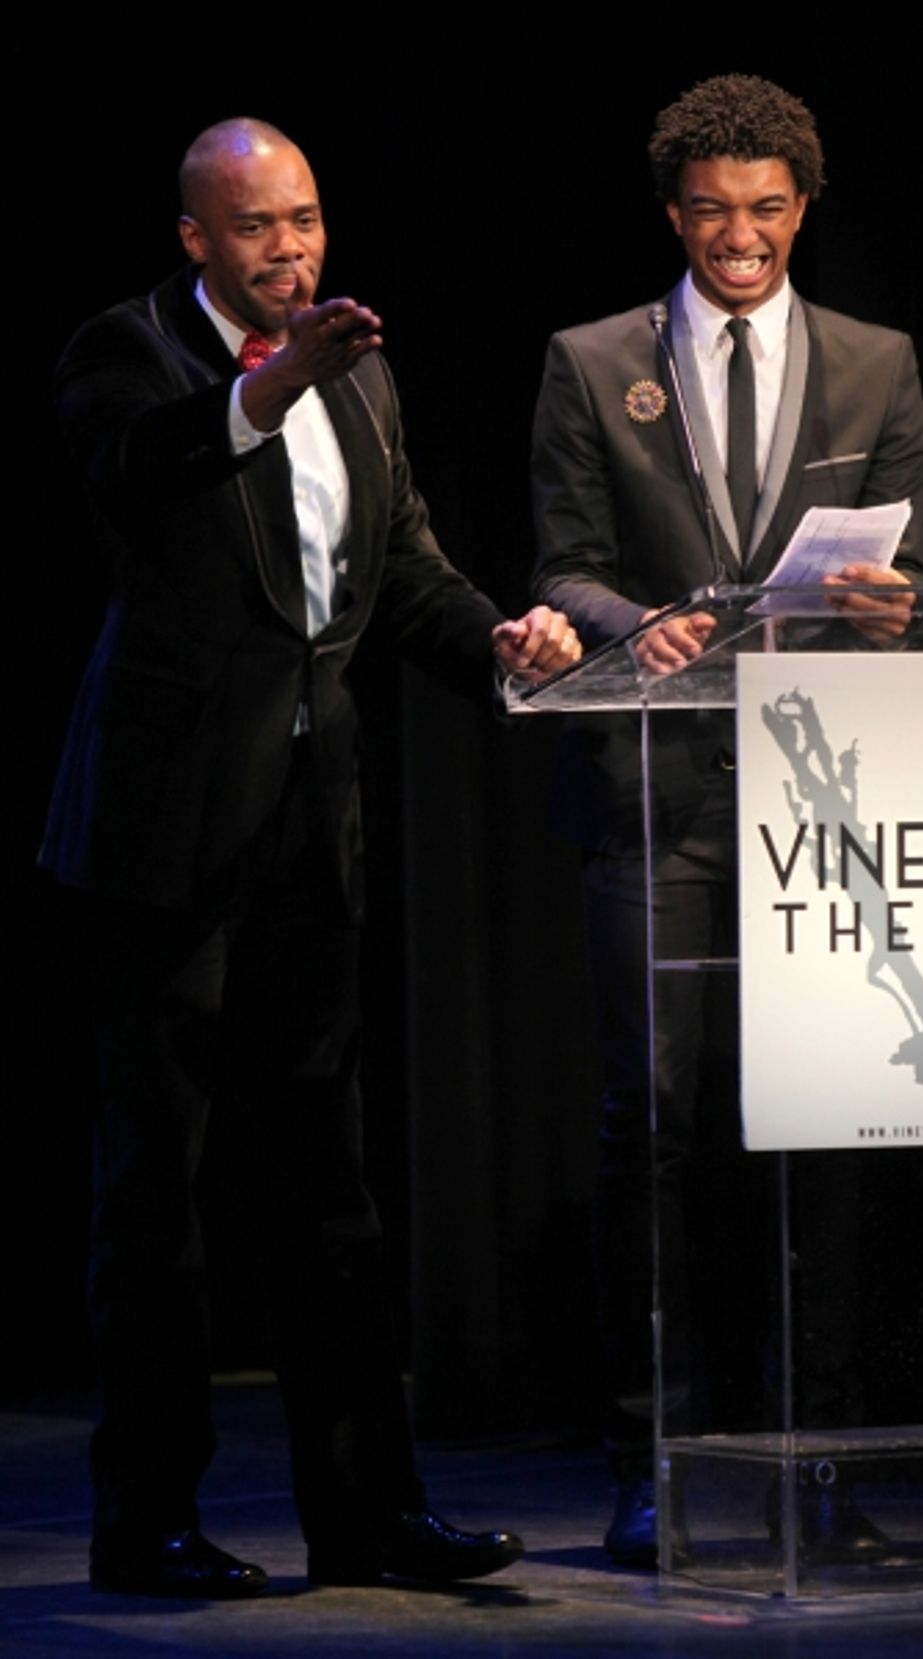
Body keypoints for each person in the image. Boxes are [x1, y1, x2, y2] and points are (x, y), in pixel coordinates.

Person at [42, 116, 580, 1600]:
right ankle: (145, 1523)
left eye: (307, 219)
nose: (291, 249)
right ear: (195, 240)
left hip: (308, 833)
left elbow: (398, 571)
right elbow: (142, 470)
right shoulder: (126, 351)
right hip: (160, 837)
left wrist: (503, 644)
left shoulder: (363, 375)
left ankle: (367, 1516)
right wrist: (271, 382)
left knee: (327, 1191)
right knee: (155, 1195)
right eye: (256, 227)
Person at [530, 74, 923, 1565]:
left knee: (819, 1136)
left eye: (765, 209)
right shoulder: (591, 363)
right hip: (655, 798)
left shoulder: (880, 363)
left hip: (820, 804)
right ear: (675, 215)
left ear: (802, 211)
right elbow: (563, 566)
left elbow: (908, 563)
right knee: (652, 1129)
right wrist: (637, 624)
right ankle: (649, 1464)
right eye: (711, 211)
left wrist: (892, 604)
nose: (739, 237)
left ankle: (822, 1464)